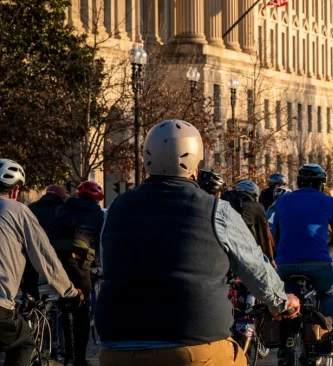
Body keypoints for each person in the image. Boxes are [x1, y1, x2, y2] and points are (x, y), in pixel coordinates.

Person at [97, 120, 298, 366]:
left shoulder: (115, 209)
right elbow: (254, 266)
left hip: (117, 348)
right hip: (193, 344)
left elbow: (108, 263)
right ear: (195, 161)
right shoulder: (217, 210)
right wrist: (281, 301)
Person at [0, 159, 83, 366]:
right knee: (25, 341)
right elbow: (45, 258)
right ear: (16, 190)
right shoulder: (17, 210)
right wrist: (70, 292)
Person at [273, 163, 333, 359]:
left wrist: (277, 256)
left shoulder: (283, 201)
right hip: (318, 263)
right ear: (321, 184)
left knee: (286, 298)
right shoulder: (329, 201)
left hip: (285, 264)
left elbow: (274, 233)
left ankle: (284, 343)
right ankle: (326, 337)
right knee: (330, 292)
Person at [49, 181, 106, 366]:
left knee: (65, 305)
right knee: (81, 311)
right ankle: (79, 359)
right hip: (80, 265)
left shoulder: (63, 208)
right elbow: (101, 240)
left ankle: (65, 353)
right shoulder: (96, 214)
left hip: (56, 262)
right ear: (96, 199)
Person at [20, 185, 70, 299]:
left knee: (30, 283)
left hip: (30, 249)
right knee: (62, 282)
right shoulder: (63, 208)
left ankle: (31, 306)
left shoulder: (31, 207)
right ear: (62, 197)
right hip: (56, 250)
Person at [222, 179, 274, 260]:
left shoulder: (226, 205)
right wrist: (270, 259)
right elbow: (264, 235)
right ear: (253, 195)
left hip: (227, 251)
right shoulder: (257, 207)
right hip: (248, 252)